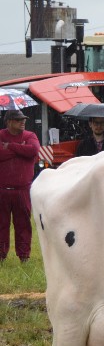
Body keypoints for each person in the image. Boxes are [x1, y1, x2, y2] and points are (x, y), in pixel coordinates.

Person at [0, 109, 40, 262]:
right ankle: (1, 255)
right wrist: (20, 148)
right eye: (18, 120)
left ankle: (24, 256)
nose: (23, 121)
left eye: (23, 119)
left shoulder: (30, 136)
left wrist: (9, 146)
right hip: (2, 190)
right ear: (9, 121)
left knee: (23, 225)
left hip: (23, 190)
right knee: (1, 224)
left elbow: (33, 150)